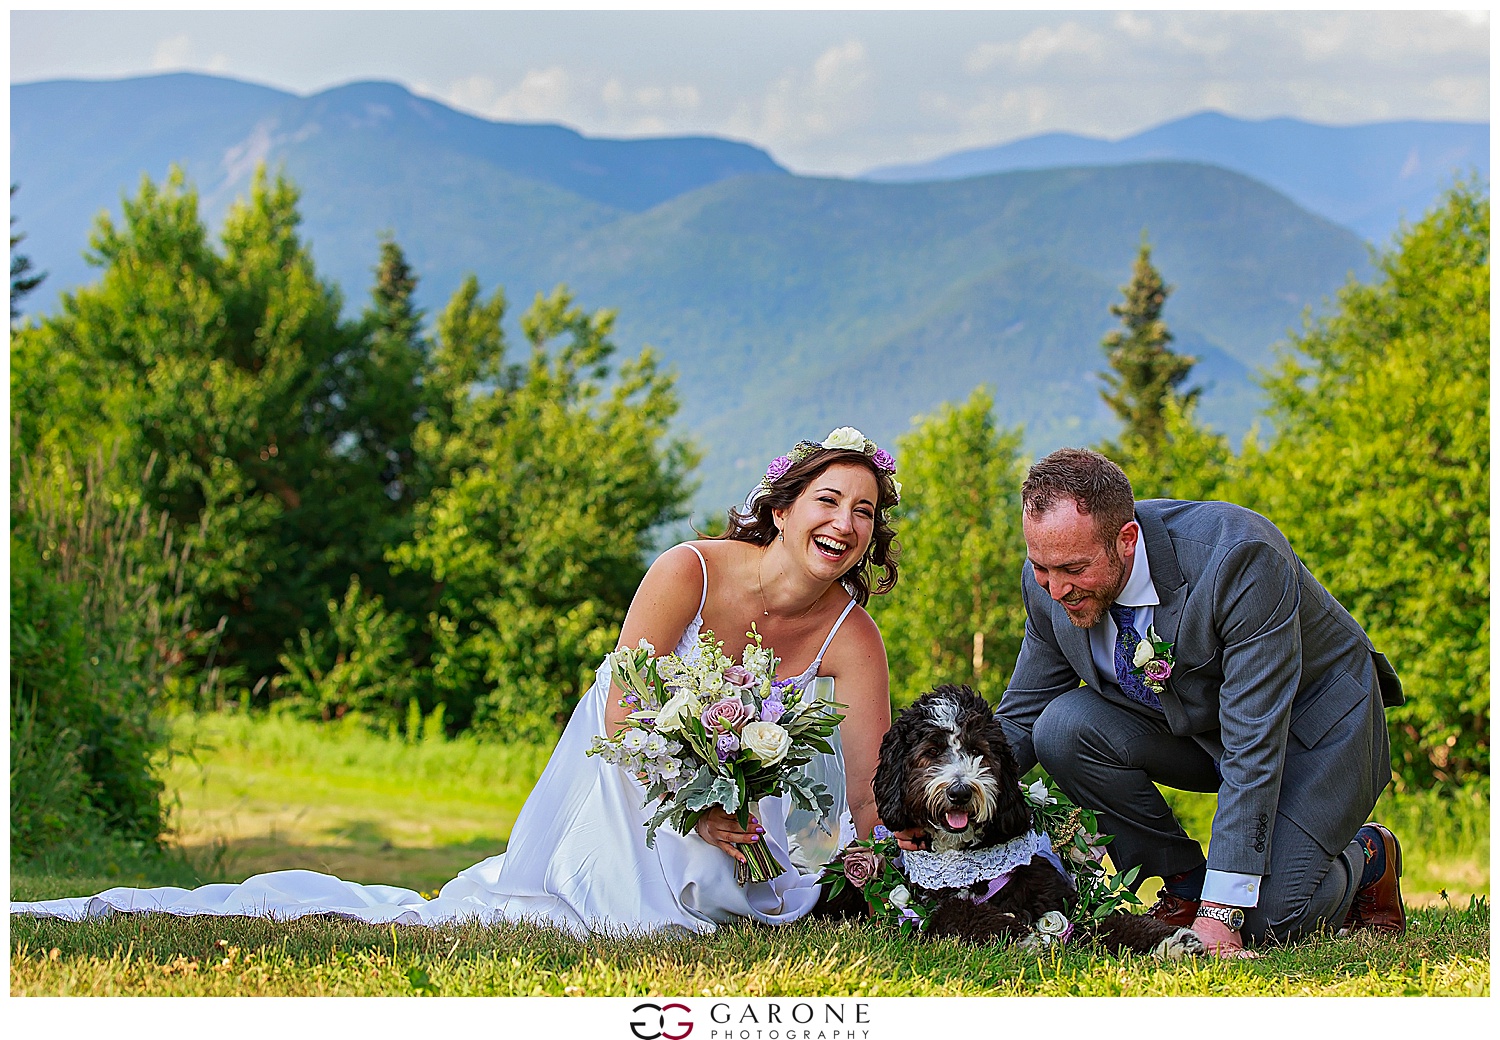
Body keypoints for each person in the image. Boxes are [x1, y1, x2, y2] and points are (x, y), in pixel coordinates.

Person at [11, 428, 902, 935]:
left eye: (864, 511)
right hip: (633, 770)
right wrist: (695, 795)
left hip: (760, 812)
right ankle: (627, 885)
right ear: (782, 510)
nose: (846, 522)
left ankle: (753, 878)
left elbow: (864, 787)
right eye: (828, 500)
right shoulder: (690, 571)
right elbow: (625, 705)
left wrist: (878, 854)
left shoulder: (852, 637)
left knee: (803, 778)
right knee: (627, 767)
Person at [987, 447, 1406, 957]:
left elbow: (1254, 742)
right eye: (1041, 568)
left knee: (1269, 923)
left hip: (1314, 729)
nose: (1056, 589)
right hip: (1203, 728)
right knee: (1061, 727)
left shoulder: (1242, 559)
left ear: (1127, 540)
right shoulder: (1049, 582)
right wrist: (940, 797)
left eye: (1073, 568)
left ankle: (1368, 855)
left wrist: (1223, 915)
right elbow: (1022, 717)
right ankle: (1185, 887)